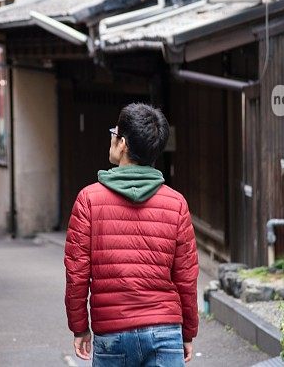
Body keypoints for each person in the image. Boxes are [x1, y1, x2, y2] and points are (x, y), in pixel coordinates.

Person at [64, 103, 199, 366]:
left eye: (114, 132)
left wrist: (79, 327)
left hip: (112, 332)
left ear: (122, 143)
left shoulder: (88, 200)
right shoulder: (176, 203)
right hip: (165, 329)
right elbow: (186, 277)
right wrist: (188, 331)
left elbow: (76, 273)